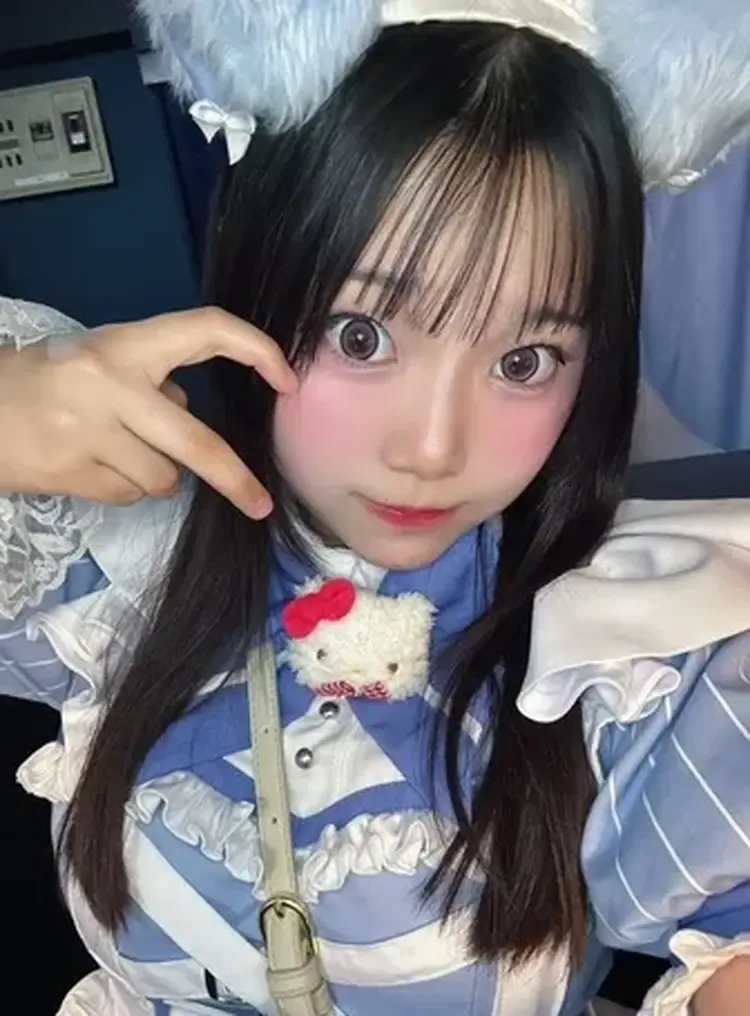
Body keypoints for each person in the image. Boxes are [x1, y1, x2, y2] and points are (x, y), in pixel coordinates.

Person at [1, 6, 750, 1016]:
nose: (432, 449)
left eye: (525, 360)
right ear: (256, 285)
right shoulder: (111, 561)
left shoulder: (633, 655)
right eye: (362, 336)